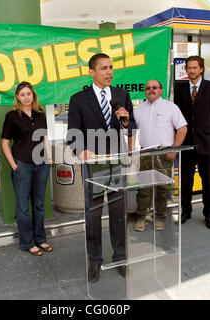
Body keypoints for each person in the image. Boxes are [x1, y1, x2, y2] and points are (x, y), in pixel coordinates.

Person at [67, 53, 135, 282]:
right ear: (92, 72)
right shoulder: (78, 99)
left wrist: (126, 119)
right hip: (93, 164)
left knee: (118, 213)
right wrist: (81, 151)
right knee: (93, 215)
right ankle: (94, 262)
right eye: (104, 68)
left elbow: (131, 125)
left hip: (117, 161)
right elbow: (72, 133)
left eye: (111, 67)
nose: (109, 72)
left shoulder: (121, 95)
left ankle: (121, 258)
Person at [1, 81, 53, 256]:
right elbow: (5, 143)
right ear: (17, 96)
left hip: (42, 165)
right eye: (22, 94)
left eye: (28, 94)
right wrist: (14, 166)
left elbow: (44, 137)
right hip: (22, 164)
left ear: (33, 95)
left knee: (39, 204)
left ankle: (41, 239)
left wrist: (49, 156)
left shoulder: (40, 114)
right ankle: (27, 242)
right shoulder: (12, 116)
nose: (25, 97)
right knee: (23, 207)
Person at [174, 56, 210, 230]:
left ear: (201, 69)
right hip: (186, 143)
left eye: (195, 68)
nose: (191, 71)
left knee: (208, 182)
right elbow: (177, 116)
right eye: (189, 68)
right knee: (185, 181)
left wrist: (206, 129)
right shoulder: (179, 89)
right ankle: (185, 212)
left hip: (206, 143)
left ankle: (208, 215)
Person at [133, 80, 187, 232]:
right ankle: (141, 217)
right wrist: (134, 152)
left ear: (161, 90)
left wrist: (174, 149)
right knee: (143, 188)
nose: (151, 90)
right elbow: (131, 131)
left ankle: (160, 217)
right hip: (144, 154)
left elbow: (182, 128)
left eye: (154, 88)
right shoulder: (138, 109)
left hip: (165, 154)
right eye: (148, 88)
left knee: (163, 189)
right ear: (145, 91)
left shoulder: (171, 107)